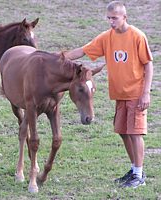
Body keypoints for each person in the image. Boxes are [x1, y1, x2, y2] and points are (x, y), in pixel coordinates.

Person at [65, 1, 153, 188]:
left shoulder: (137, 36)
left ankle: (139, 175)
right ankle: (134, 169)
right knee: (122, 132)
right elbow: (82, 51)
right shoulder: (107, 37)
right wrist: (57, 57)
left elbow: (148, 64)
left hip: (136, 93)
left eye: (115, 18)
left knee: (135, 133)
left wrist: (146, 93)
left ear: (124, 17)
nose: (111, 22)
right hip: (119, 94)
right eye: (109, 18)